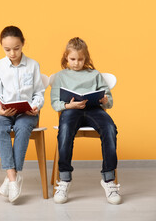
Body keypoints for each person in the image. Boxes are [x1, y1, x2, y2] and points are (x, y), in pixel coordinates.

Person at [50, 37, 121, 205]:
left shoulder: (95, 75)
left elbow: (109, 101)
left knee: (110, 128)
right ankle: (65, 179)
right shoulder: (60, 76)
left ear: (86, 58)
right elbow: (55, 103)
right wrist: (68, 105)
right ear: (66, 57)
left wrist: (104, 101)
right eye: (73, 59)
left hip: (94, 110)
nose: (76, 63)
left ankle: (109, 180)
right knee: (65, 130)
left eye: (80, 59)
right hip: (71, 110)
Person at [0, 26, 45, 203]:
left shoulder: (33, 65)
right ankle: (13, 177)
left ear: (23, 44)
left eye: (16, 48)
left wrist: (35, 106)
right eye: (7, 49)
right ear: (1, 47)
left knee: (22, 127)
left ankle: (11, 177)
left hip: (27, 113)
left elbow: (39, 92)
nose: (12, 53)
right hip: (5, 112)